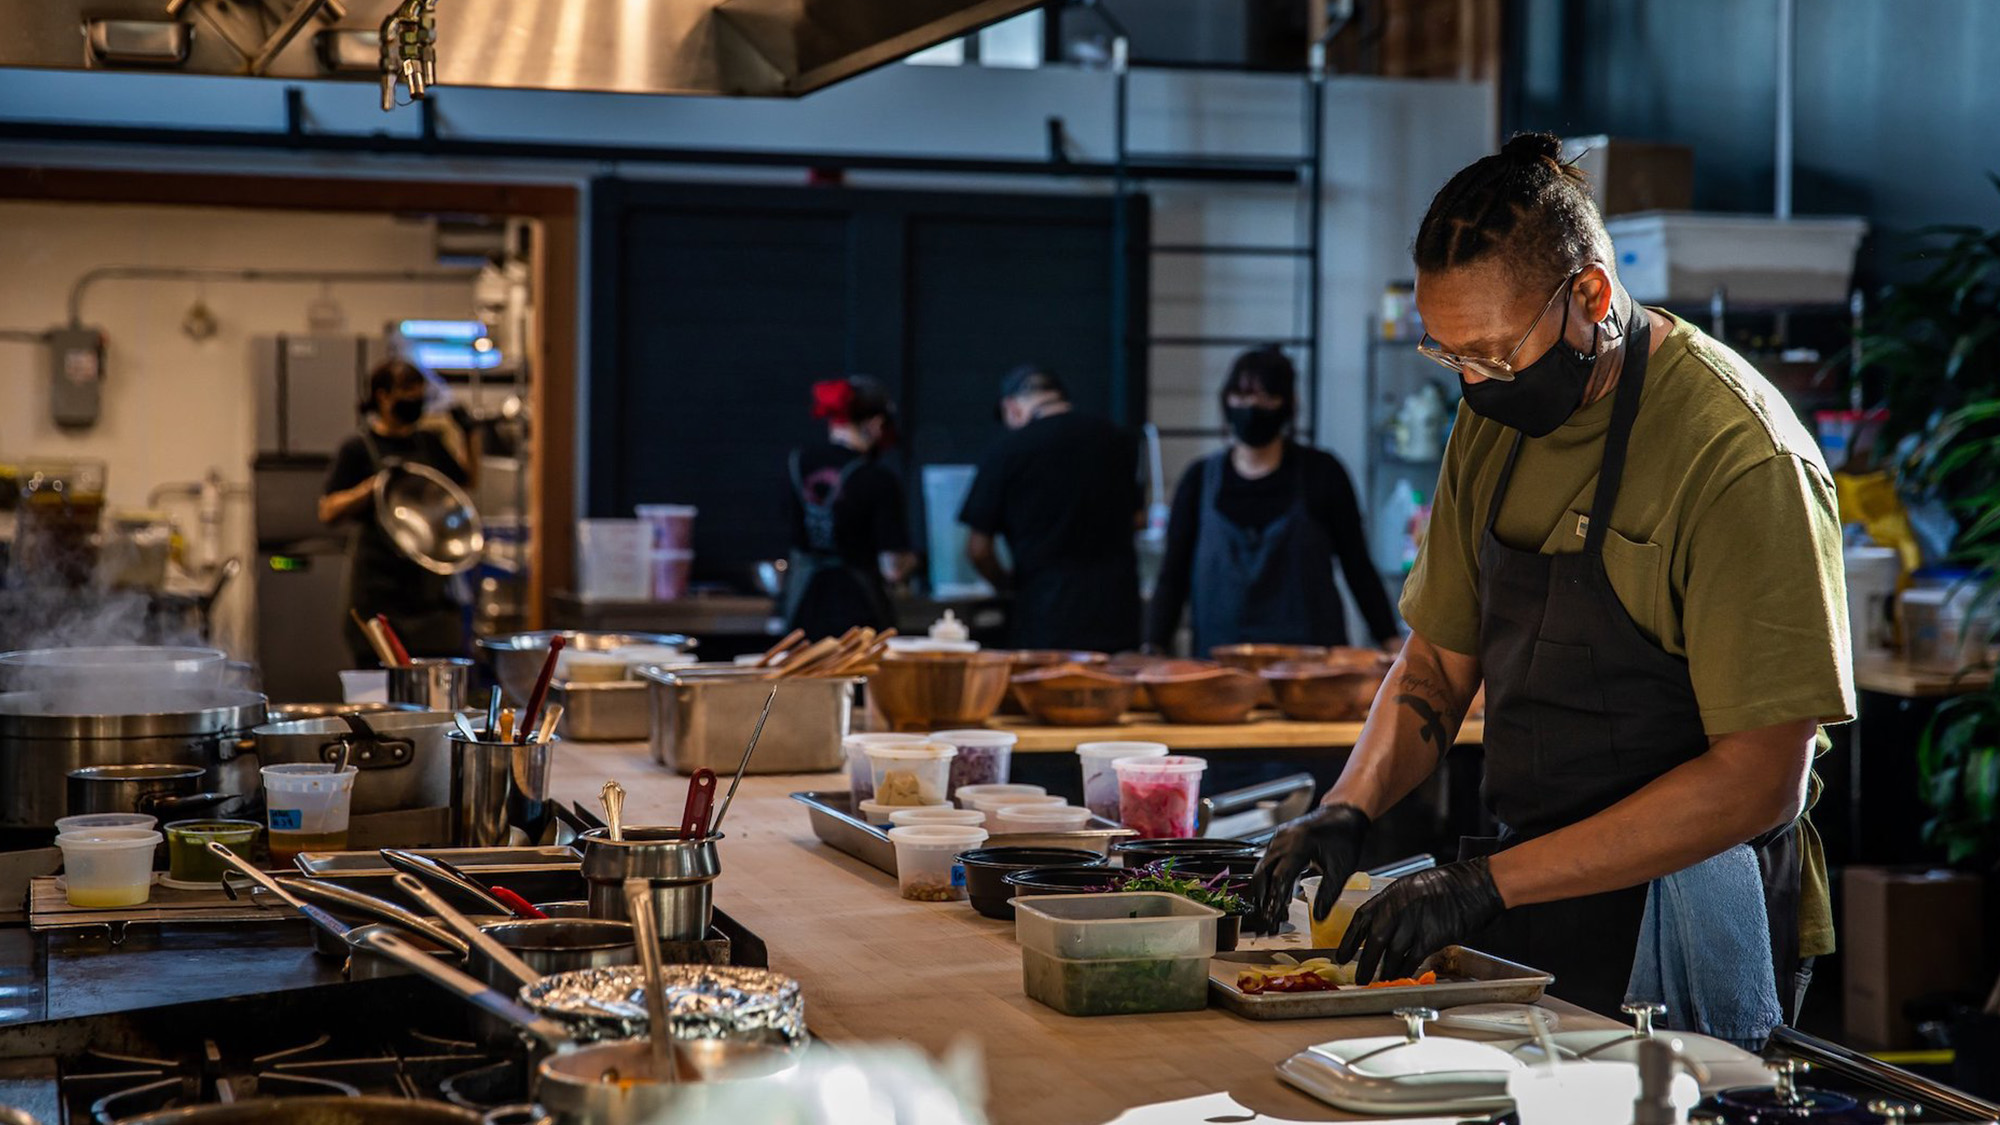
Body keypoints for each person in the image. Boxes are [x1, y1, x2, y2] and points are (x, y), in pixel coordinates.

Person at [1248, 134, 1854, 1038]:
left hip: (1690, 918)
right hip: (1525, 897)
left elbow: (1760, 776)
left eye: (1493, 354)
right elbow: (1440, 663)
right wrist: (1348, 806)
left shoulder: (1739, 458)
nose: (1472, 382)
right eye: (1449, 355)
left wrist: (1486, 882)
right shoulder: (1489, 421)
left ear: (1591, 298)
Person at [1147, 346, 1399, 657]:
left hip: (1310, 663)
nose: (1251, 406)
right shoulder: (1198, 481)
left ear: (1289, 405)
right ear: (1226, 400)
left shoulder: (1323, 474)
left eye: (1266, 398)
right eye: (1241, 396)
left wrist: (1390, 639)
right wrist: (1153, 645)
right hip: (1220, 662)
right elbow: (1173, 575)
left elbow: (1357, 565)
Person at [959, 365, 1143, 652]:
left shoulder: (1008, 451)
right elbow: (1139, 519)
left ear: (1012, 408)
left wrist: (1006, 584)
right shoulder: (1116, 439)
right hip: (1117, 611)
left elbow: (978, 549)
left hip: (1046, 614)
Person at [320, 358, 474, 668]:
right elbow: (327, 510)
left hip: (426, 593)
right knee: (379, 688)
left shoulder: (429, 444)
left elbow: (464, 483)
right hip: (377, 590)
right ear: (382, 395)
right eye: (406, 390)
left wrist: (471, 434)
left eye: (419, 391)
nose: (415, 399)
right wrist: (373, 487)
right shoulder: (358, 447)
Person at [781, 376, 916, 638]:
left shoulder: (796, 464)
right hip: (858, 610)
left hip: (803, 606)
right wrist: (913, 562)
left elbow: (793, 535)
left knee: (805, 678)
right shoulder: (878, 478)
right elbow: (893, 568)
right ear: (876, 425)